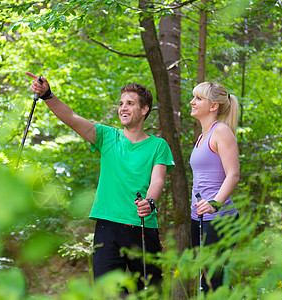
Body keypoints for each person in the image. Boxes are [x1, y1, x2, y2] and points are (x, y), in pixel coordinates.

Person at [26, 72, 175, 292]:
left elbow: (158, 180)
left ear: (144, 110)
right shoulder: (107, 137)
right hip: (107, 229)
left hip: (143, 229)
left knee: (149, 294)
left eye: (130, 103)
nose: (123, 108)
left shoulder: (158, 145)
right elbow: (72, 118)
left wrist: (150, 202)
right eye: (121, 103)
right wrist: (48, 95)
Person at [189, 82, 240, 292]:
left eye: (198, 98)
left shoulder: (222, 132)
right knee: (208, 283)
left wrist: (214, 204)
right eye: (193, 97)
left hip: (219, 220)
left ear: (213, 106)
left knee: (212, 284)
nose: (192, 102)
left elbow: (233, 174)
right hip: (199, 218)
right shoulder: (202, 136)